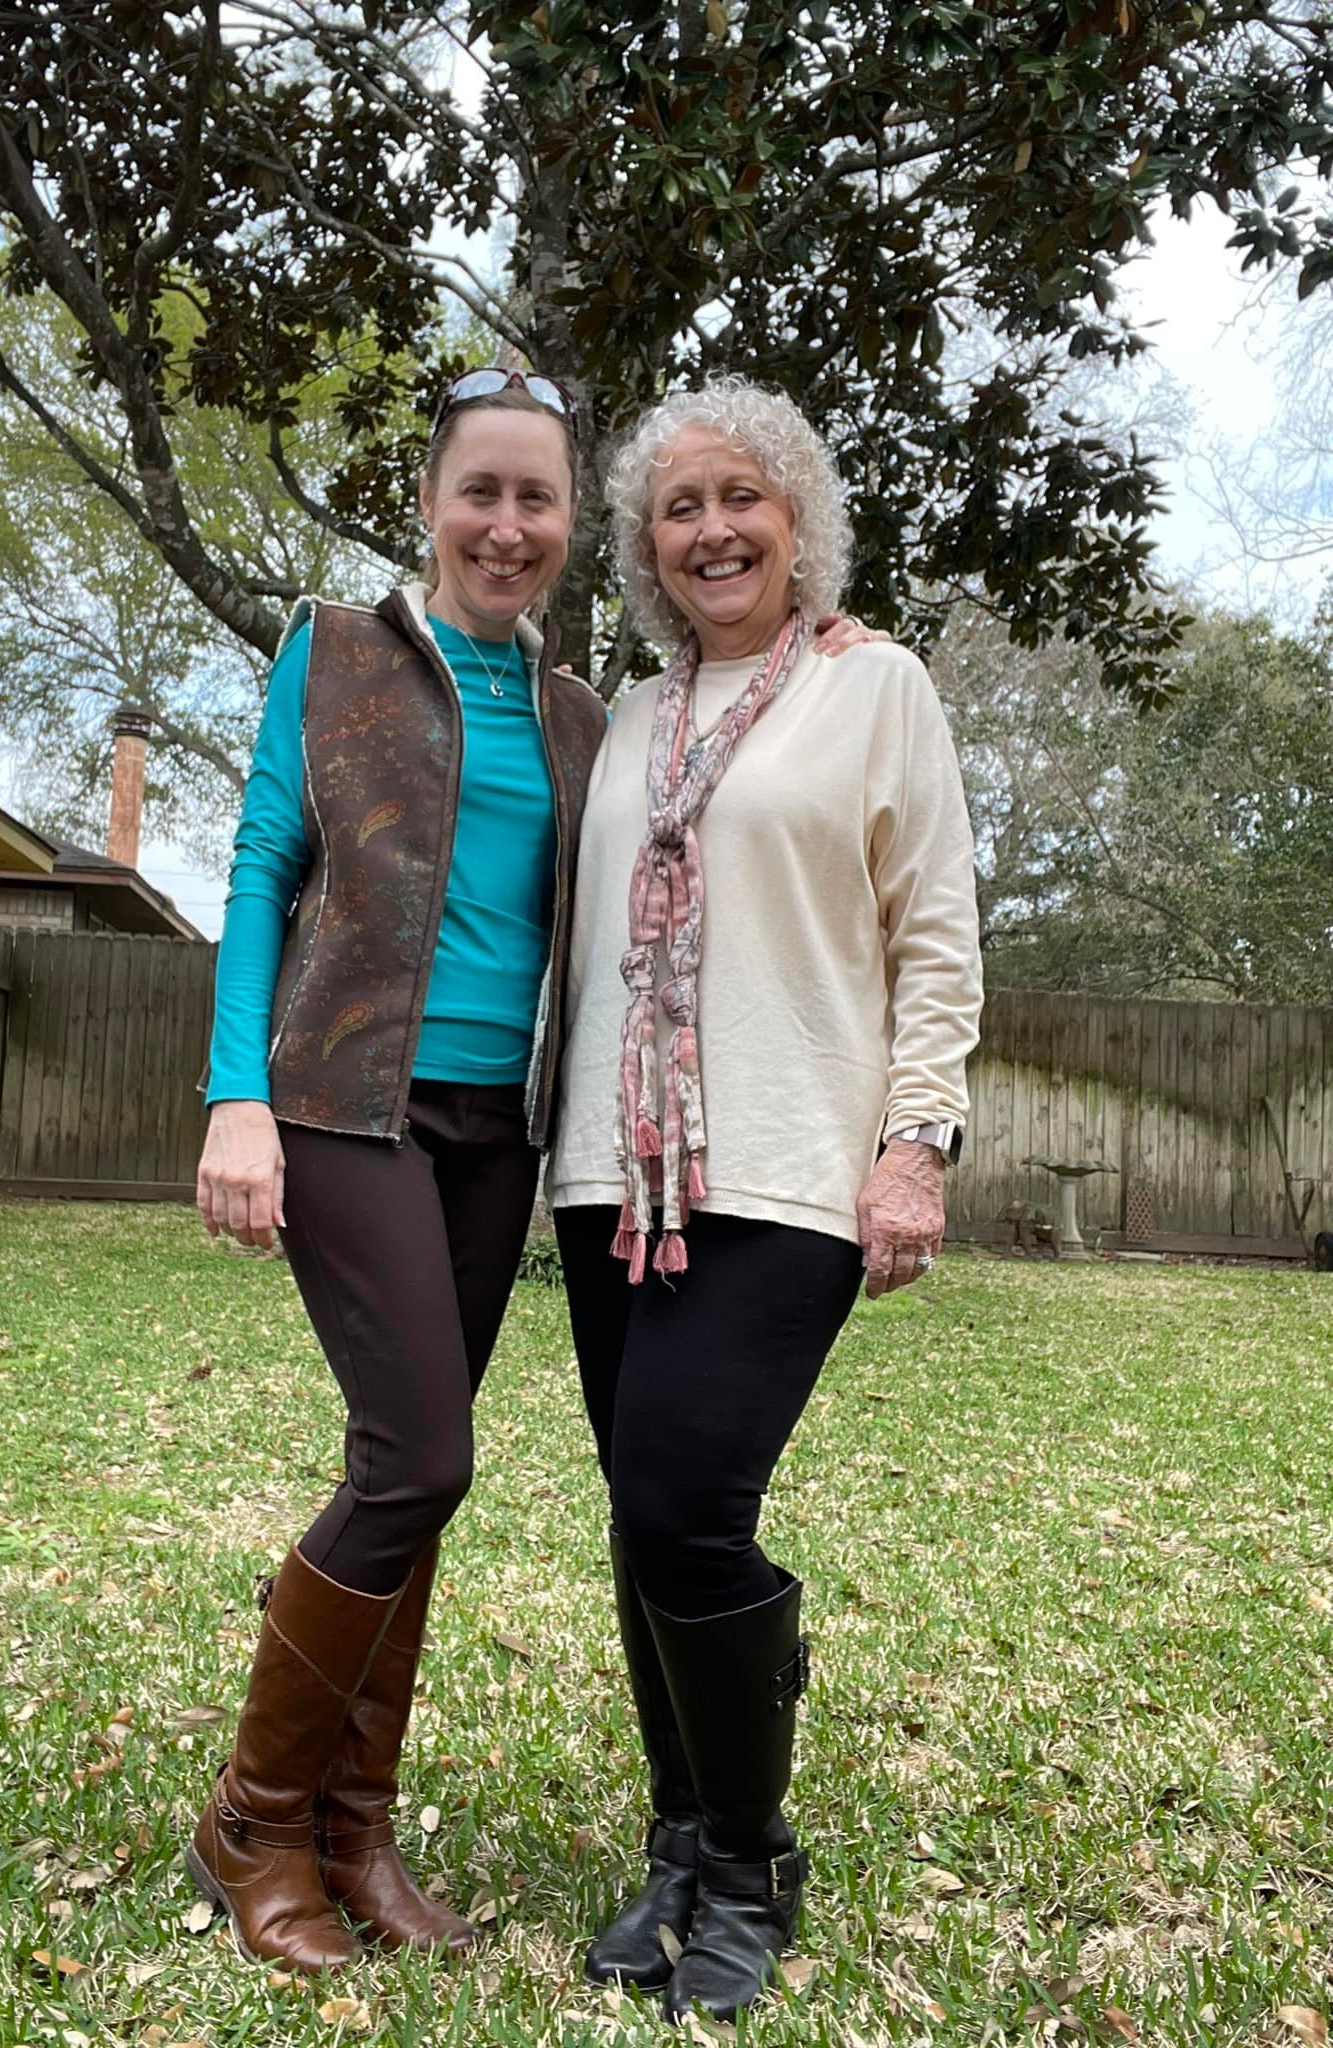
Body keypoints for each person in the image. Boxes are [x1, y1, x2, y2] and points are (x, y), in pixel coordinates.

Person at [547, 377, 983, 2023]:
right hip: (609, 1171)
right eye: (678, 506)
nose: (712, 529)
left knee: (682, 1503)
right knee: (637, 1513)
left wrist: (916, 1142)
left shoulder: (878, 691)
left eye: (744, 498)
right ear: (645, 544)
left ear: (799, 520)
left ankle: (747, 1857)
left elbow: (933, 930)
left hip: (790, 1165)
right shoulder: (628, 720)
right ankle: (680, 1835)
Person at [188, 368, 607, 1972]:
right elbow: (255, 875)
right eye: (480, 492)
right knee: (420, 1455)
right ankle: (253, 1817)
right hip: (347, 1107)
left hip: (496, 1133)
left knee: (408, 1487)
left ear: (570, 527)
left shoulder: (581, 715)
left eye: (538, 500)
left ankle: (354, 1832)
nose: (507, 526)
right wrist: (239, 1100)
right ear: (431, 502)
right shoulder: (335, 651)